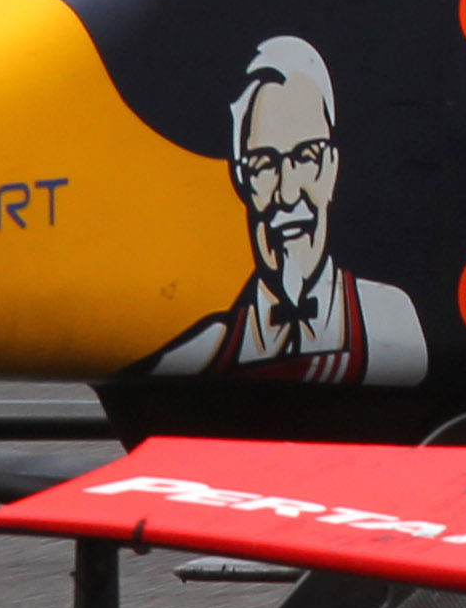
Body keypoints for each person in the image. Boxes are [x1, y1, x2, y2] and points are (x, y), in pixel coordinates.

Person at [152, 34, 428, 386]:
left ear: (331, 168)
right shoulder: (201, 352)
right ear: (241, 179)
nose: (287, 191)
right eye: (265, 164)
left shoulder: (391, 319)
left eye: (306, 157)